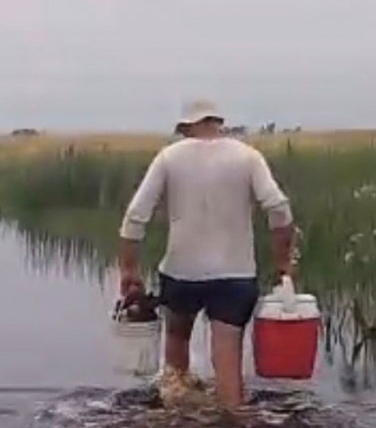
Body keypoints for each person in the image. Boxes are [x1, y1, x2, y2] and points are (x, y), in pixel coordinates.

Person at [118, 100, 296, 409]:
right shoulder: (248, 156)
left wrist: (129, 270)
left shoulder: (169, 157)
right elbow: (279, 208)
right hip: (235, 276)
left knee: (176, 358)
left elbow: (135, 216)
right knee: (227, 367)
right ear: (217, 121)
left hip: (180, 274)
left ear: (186, 126)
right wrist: (283, 263)